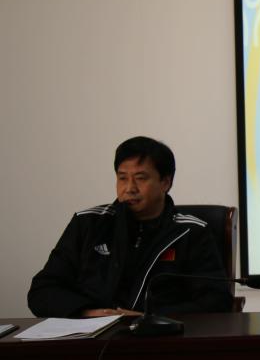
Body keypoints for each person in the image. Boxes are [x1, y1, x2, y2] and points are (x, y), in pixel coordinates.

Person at [28, 136, 232, 318]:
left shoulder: (190, 232)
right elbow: (43, 290)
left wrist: (147, 317)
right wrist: (87, 313)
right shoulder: (88, 223)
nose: (129, 188)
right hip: (91, 336)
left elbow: (216, 301)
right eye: (122, 178)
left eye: (141, 178)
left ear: (165, 182)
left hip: (159, 337)